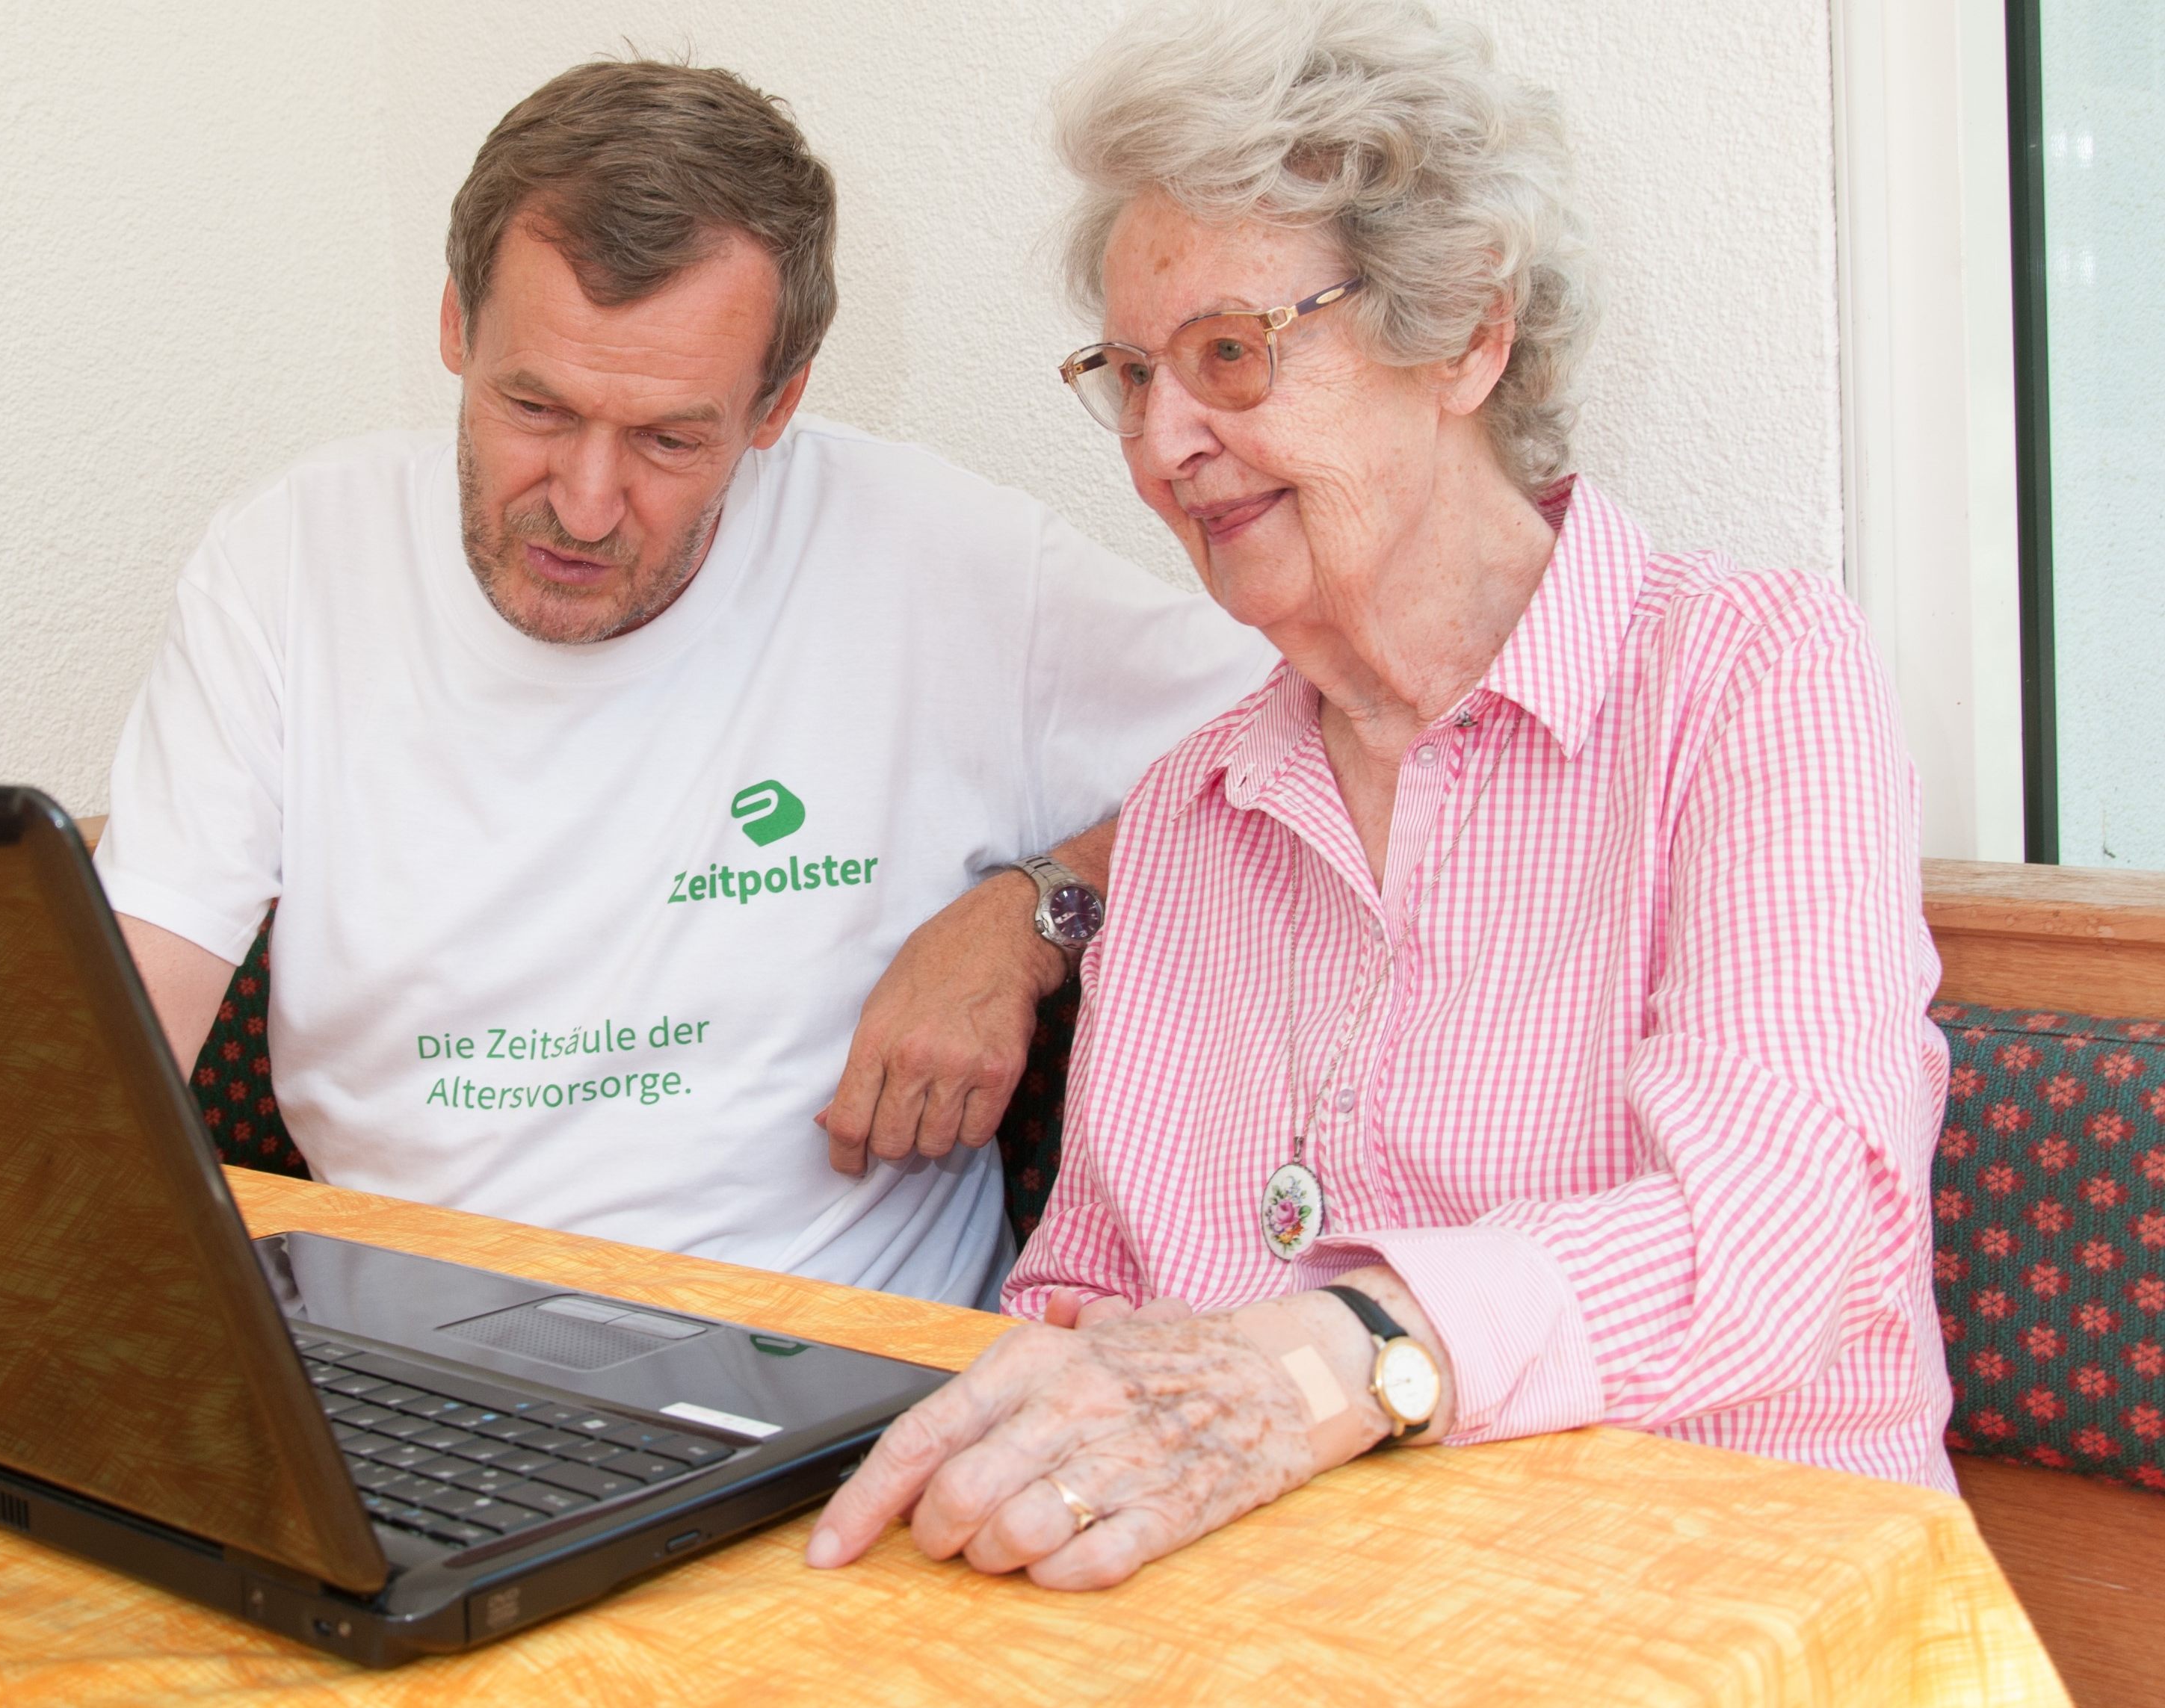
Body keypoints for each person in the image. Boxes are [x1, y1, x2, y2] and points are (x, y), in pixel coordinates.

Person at [809, 0, 1950, 1589]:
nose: (1162, 444)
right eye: (1131, 375)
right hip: (1299, 1630)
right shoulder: (1198, 806)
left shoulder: (1749, 681)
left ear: (1467, 334)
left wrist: (1339, 1358)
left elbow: (1774, 1233)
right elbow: (1090, 1283)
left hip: (1723, 1611)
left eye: (1229, 354)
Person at [96, 59, 1271, 1308]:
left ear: (778, 402)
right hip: (404, 1365)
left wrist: (1036, 911)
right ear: (454, 326)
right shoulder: (290, 562)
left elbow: (1319, 732)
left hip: (830, 1386)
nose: (585, 503)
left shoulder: (947, 566)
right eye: (535, 406)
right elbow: (116, 1039)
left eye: (668, 438)